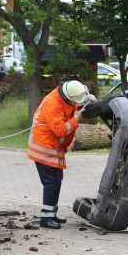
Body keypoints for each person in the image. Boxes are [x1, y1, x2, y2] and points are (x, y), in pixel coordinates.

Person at [27, 79, 94, 229]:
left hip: (53, 147)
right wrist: (76, 118)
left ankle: (51, 214)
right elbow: (61, 130)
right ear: (68, 97)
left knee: (56, 180)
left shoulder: (66, 95)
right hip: (44, 148)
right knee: (51, 182)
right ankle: (46, 218)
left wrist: (86, 100)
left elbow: (72, 106)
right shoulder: (53, 104)